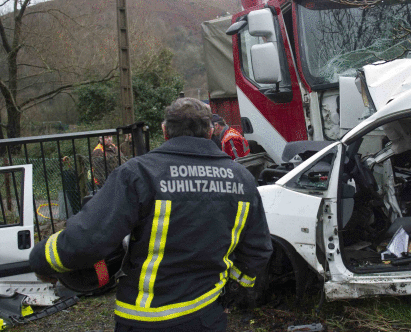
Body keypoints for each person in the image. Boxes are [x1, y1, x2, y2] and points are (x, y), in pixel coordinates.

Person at [29, 98, 273, 332]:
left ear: (165, 131)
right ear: (210, 132)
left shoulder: (138, 173)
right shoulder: (242, 179)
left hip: (146, 319)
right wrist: (234, 289)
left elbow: (87, 239)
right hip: (207, 316)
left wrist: (41, 258)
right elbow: (258, 249)